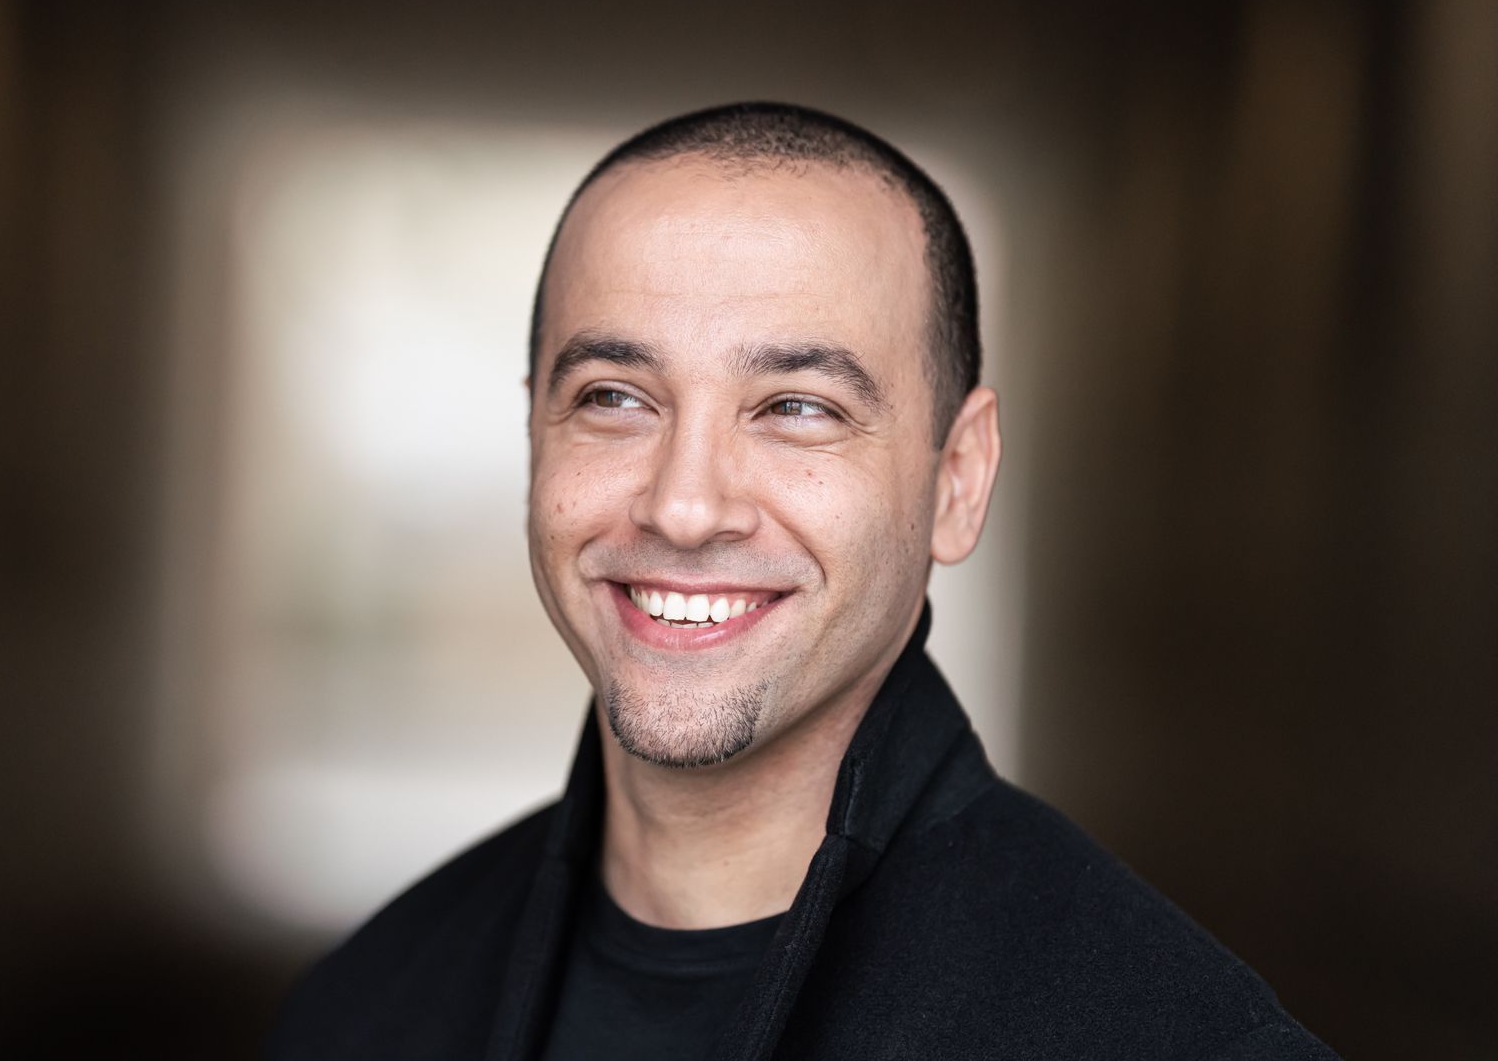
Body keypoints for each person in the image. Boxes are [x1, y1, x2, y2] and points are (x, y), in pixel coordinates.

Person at [270, 103, 1337, 1059]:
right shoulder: (369, 1007)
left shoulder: (1173, 1039)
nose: (685, 507)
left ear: (958, 480)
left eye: (796, 408)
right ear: (534, 434)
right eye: (614, 397)